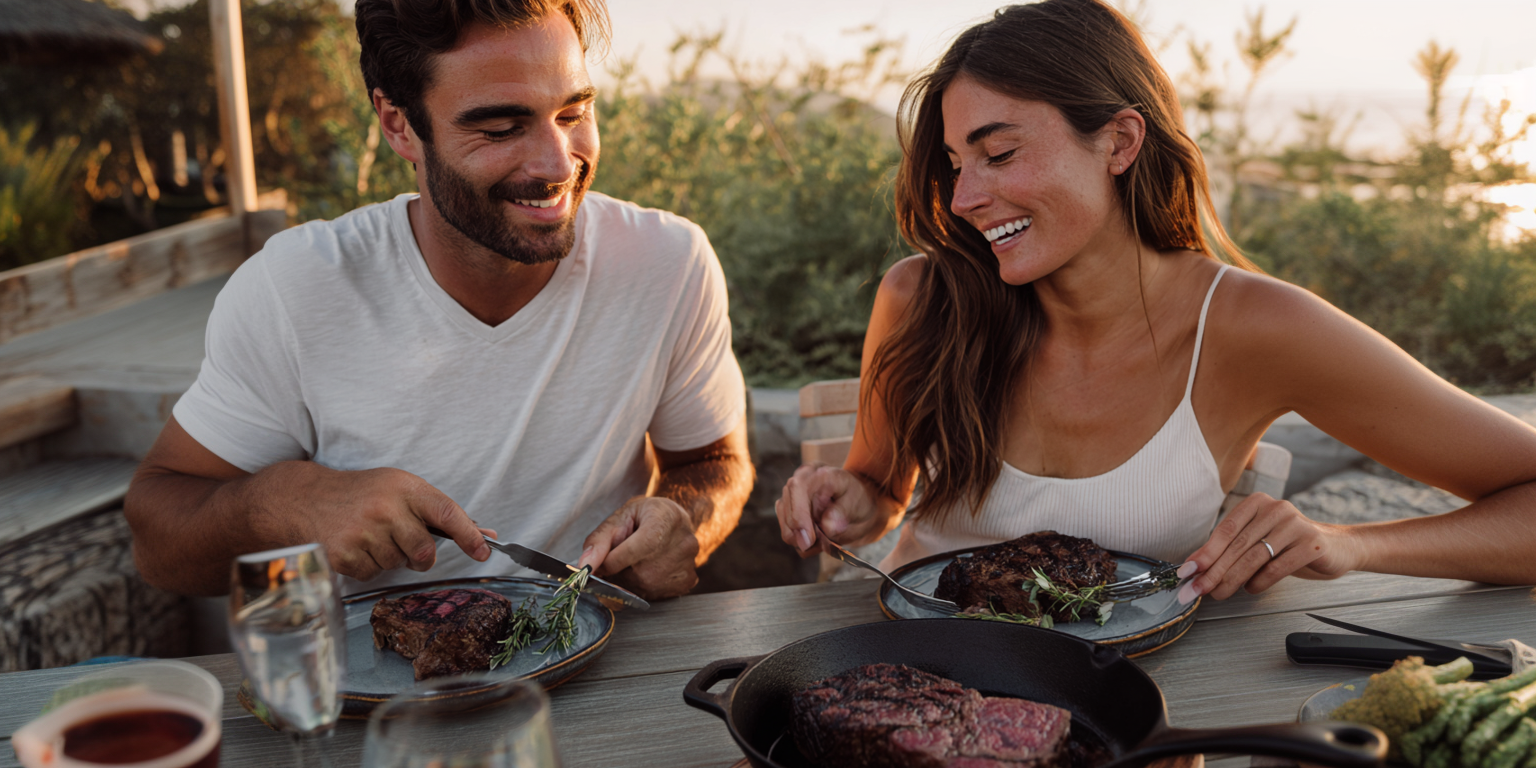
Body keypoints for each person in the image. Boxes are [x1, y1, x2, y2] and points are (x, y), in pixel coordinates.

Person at [775, 0, 1536, 603]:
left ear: (1120, 142)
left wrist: (1350, 544)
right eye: (954, 162)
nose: (966, 197)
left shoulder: (1252, 327)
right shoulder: (921, 298)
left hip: (1130, 725)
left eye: (999, 153)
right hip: (913, 686)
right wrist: (850, 497)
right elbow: (879, 490)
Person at [124, 0, 753, 600]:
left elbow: (716, 461)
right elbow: (158, 542)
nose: (558, 164)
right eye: (502, 128)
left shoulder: (668, 262)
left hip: (607, 666)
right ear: (398, 123)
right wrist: (285, 502)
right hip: (377, 699)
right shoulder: (293, 290)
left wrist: (684, 516)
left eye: (573, 113)